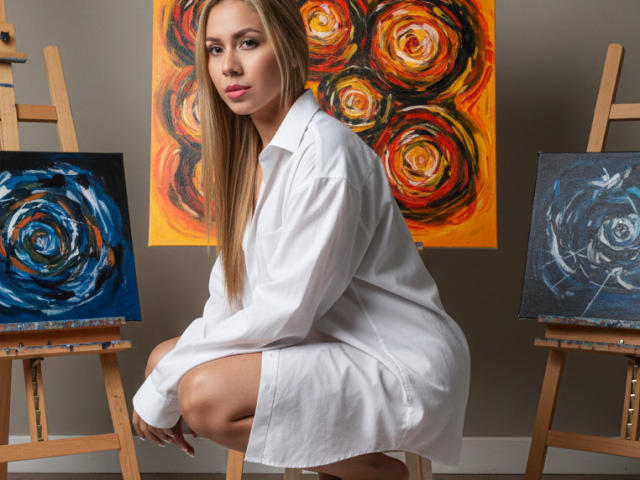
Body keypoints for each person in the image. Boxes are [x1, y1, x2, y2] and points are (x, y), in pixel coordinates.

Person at [132, 0, 470, 479]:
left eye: (248, 43)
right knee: (162, 361)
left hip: (394, 360)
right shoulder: (258, 160)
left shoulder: (326, 155)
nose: (229, 66)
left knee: (204, 397)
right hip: (325, 343)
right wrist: (164, 376)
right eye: (215, 49)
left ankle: (375, 473)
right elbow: (230, 298)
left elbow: (286, 312)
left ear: (289, 50)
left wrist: (168, 388)